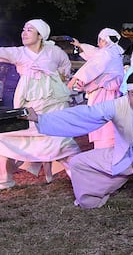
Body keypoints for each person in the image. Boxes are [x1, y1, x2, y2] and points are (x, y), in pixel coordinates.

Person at [21, 71, 133, 230]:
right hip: (125, 156)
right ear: (128, 93)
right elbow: (85, 114)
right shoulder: (118, 105)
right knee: (78, 162)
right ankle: (93, 198)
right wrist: (40, 119)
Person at [0, 19, 81, 189]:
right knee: (6, 136)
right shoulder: (19, 53)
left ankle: (81, 178)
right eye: (23, 29)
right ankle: (5, 178)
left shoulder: (54, 52)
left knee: (62, 142)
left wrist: (61, 76)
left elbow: (65, 64)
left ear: (40, 35)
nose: (24, 33)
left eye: (29, 30)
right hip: (30, 106)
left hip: (55, 103)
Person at [67, 28, 125, 149]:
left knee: (101, 122)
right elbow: (95, 54)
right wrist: (80, 45)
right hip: (113, 93)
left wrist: (75, 79)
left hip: (103, 93)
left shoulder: (106, 53)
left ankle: (103, 149)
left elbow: (92, 66)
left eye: (100, 40)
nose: (98, 43)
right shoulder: (115, 52)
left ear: (104, 40)